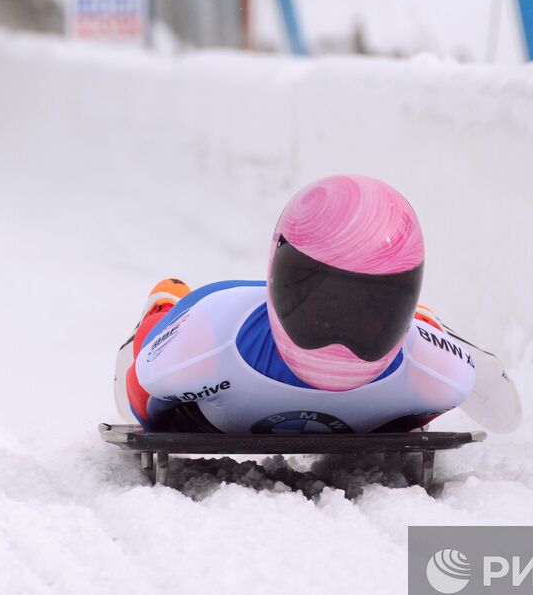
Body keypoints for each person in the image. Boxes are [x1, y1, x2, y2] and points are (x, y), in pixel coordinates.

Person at [112, 174, 501, 435]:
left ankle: (422, 320)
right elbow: (141, 395)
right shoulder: (204, 338)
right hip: (220, 312)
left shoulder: (442, 373)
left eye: (369, 303)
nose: (342, 327)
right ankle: (166, 302)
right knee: (152, 366)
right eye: (323, 296)